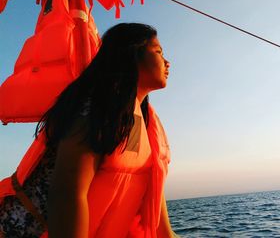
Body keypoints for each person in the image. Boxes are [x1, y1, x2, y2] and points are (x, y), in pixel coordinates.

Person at [0, 23, 178, 237]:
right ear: (131, 56)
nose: (167, 62)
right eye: (158, 52)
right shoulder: (96, 109)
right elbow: (67, 193)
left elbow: (154, 202)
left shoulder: (145, 121)